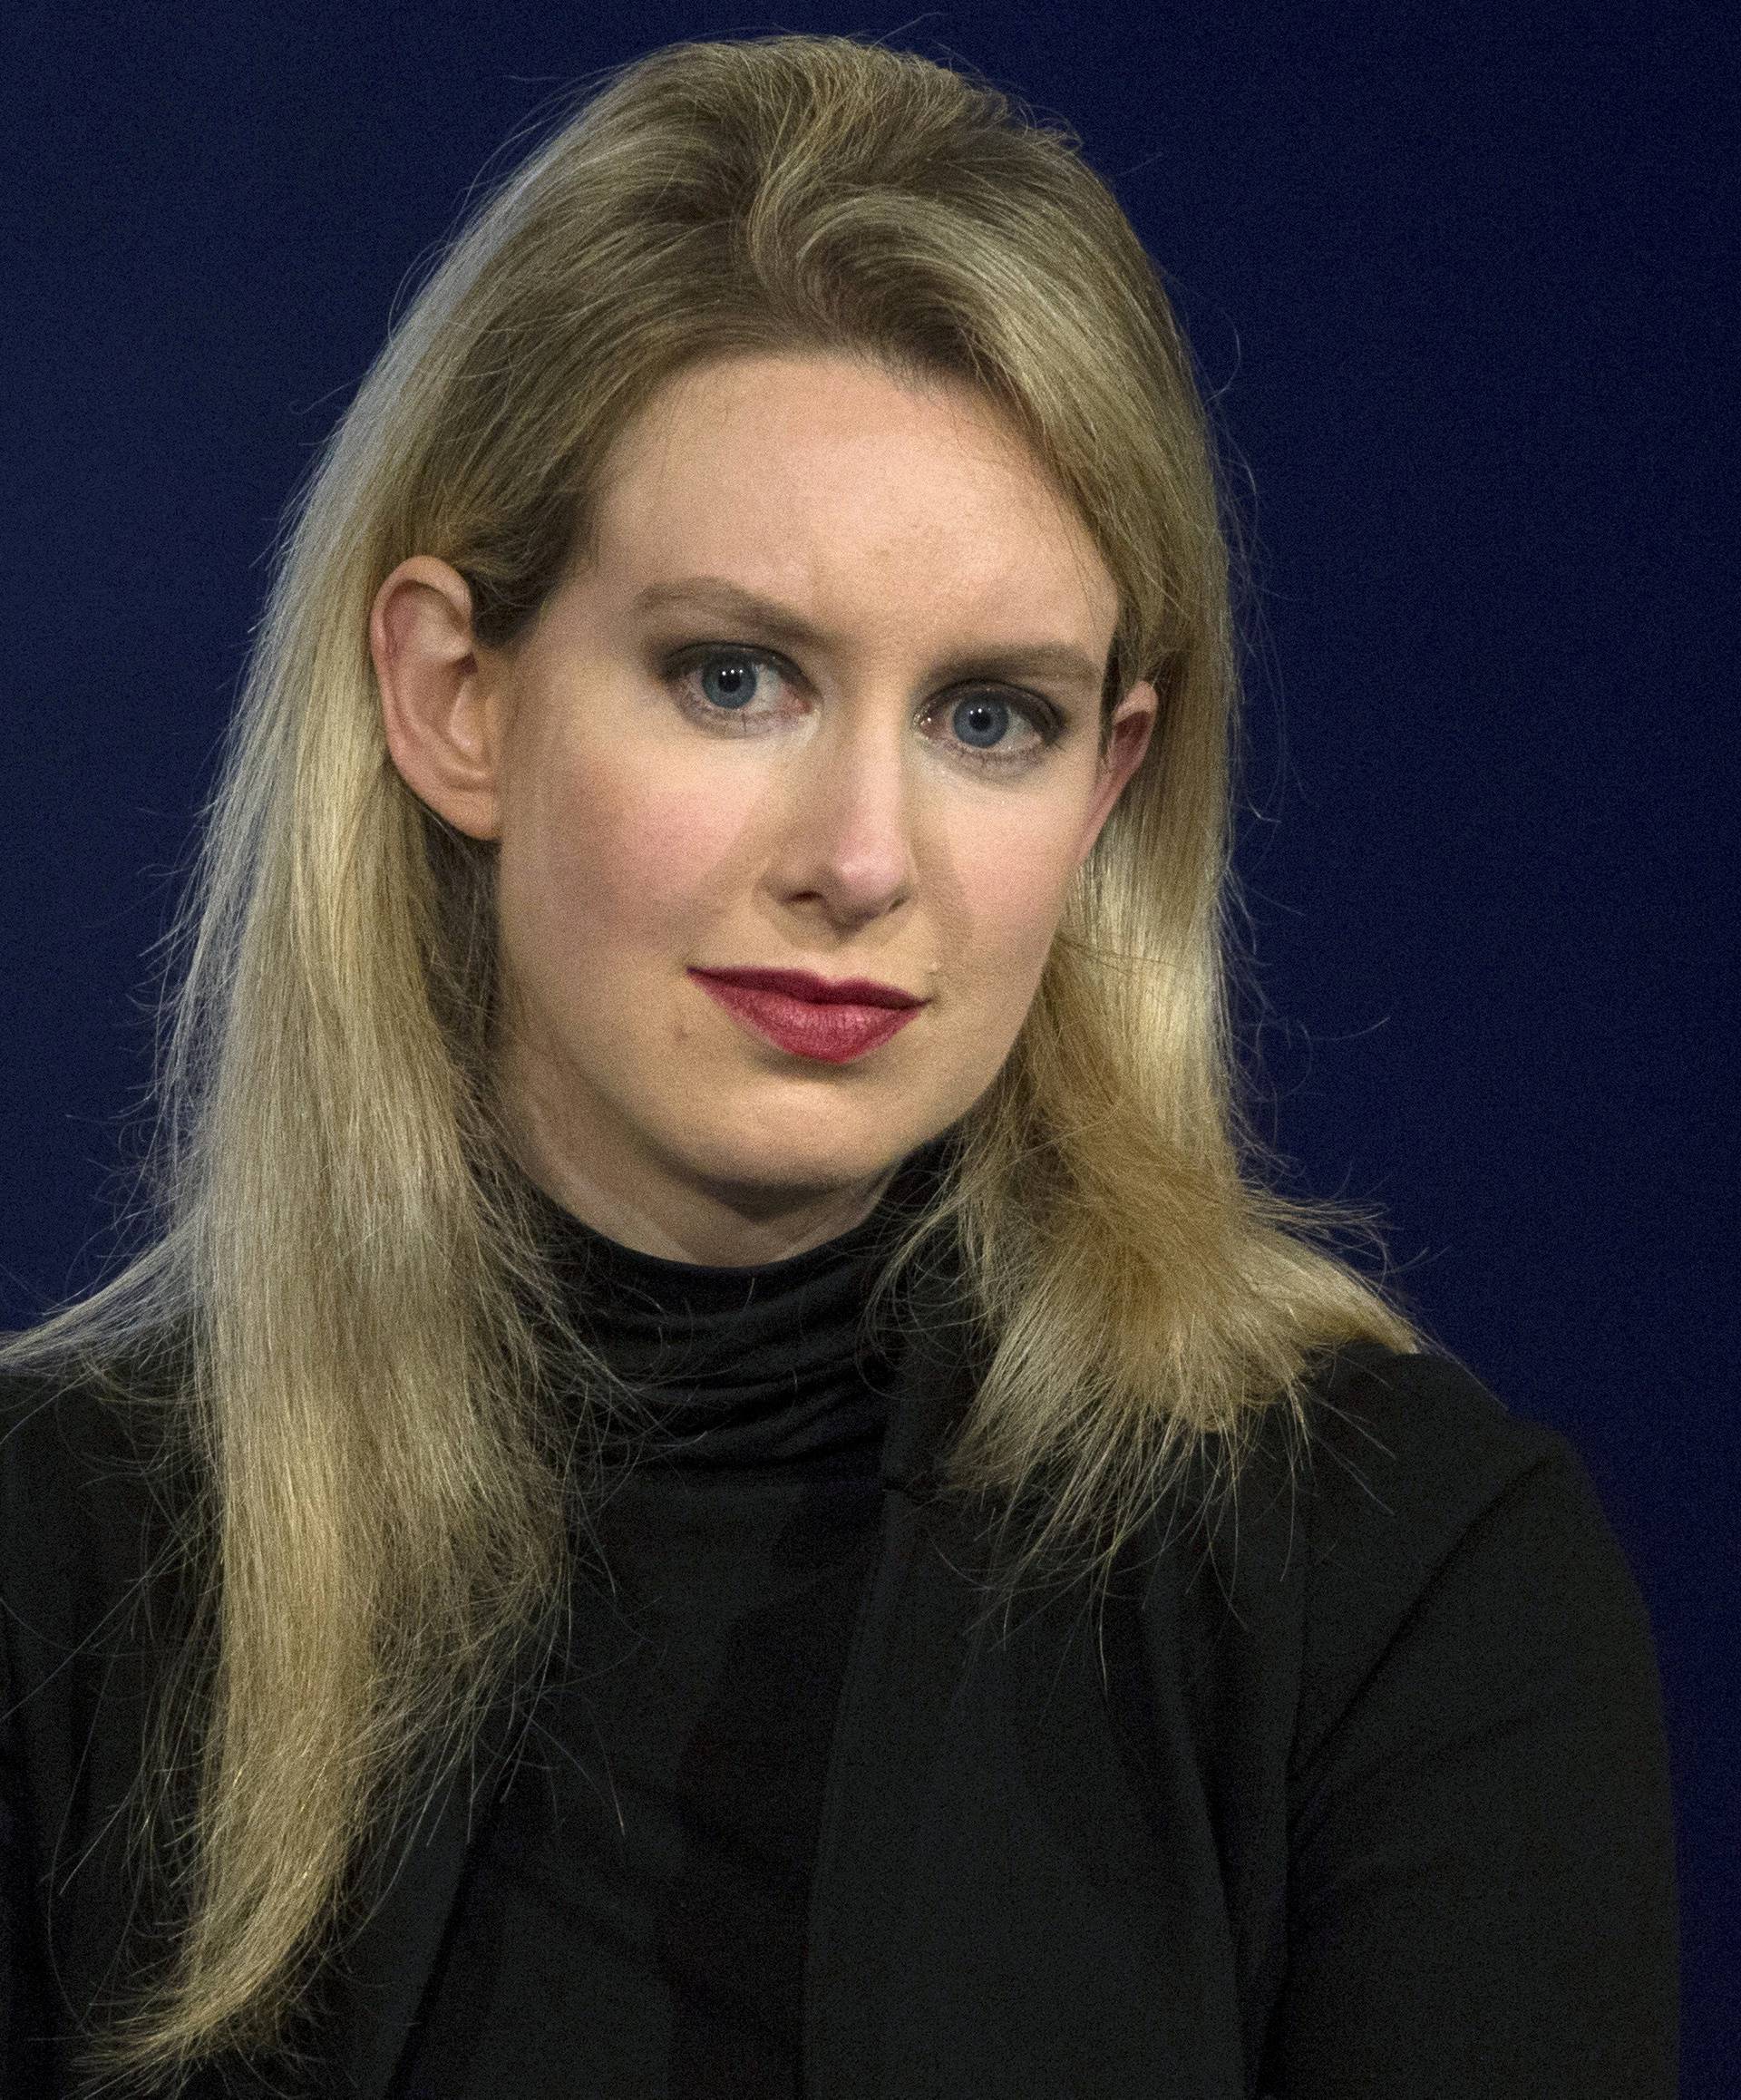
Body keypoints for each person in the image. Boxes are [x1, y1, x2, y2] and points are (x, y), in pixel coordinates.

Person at [0, 30, 1677, 2100]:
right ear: (456, 699)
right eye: (737, 677)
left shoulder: (1398, 1584)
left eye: (993, 719)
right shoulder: (56, 1565)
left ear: (1108, 786)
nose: (866, 863)